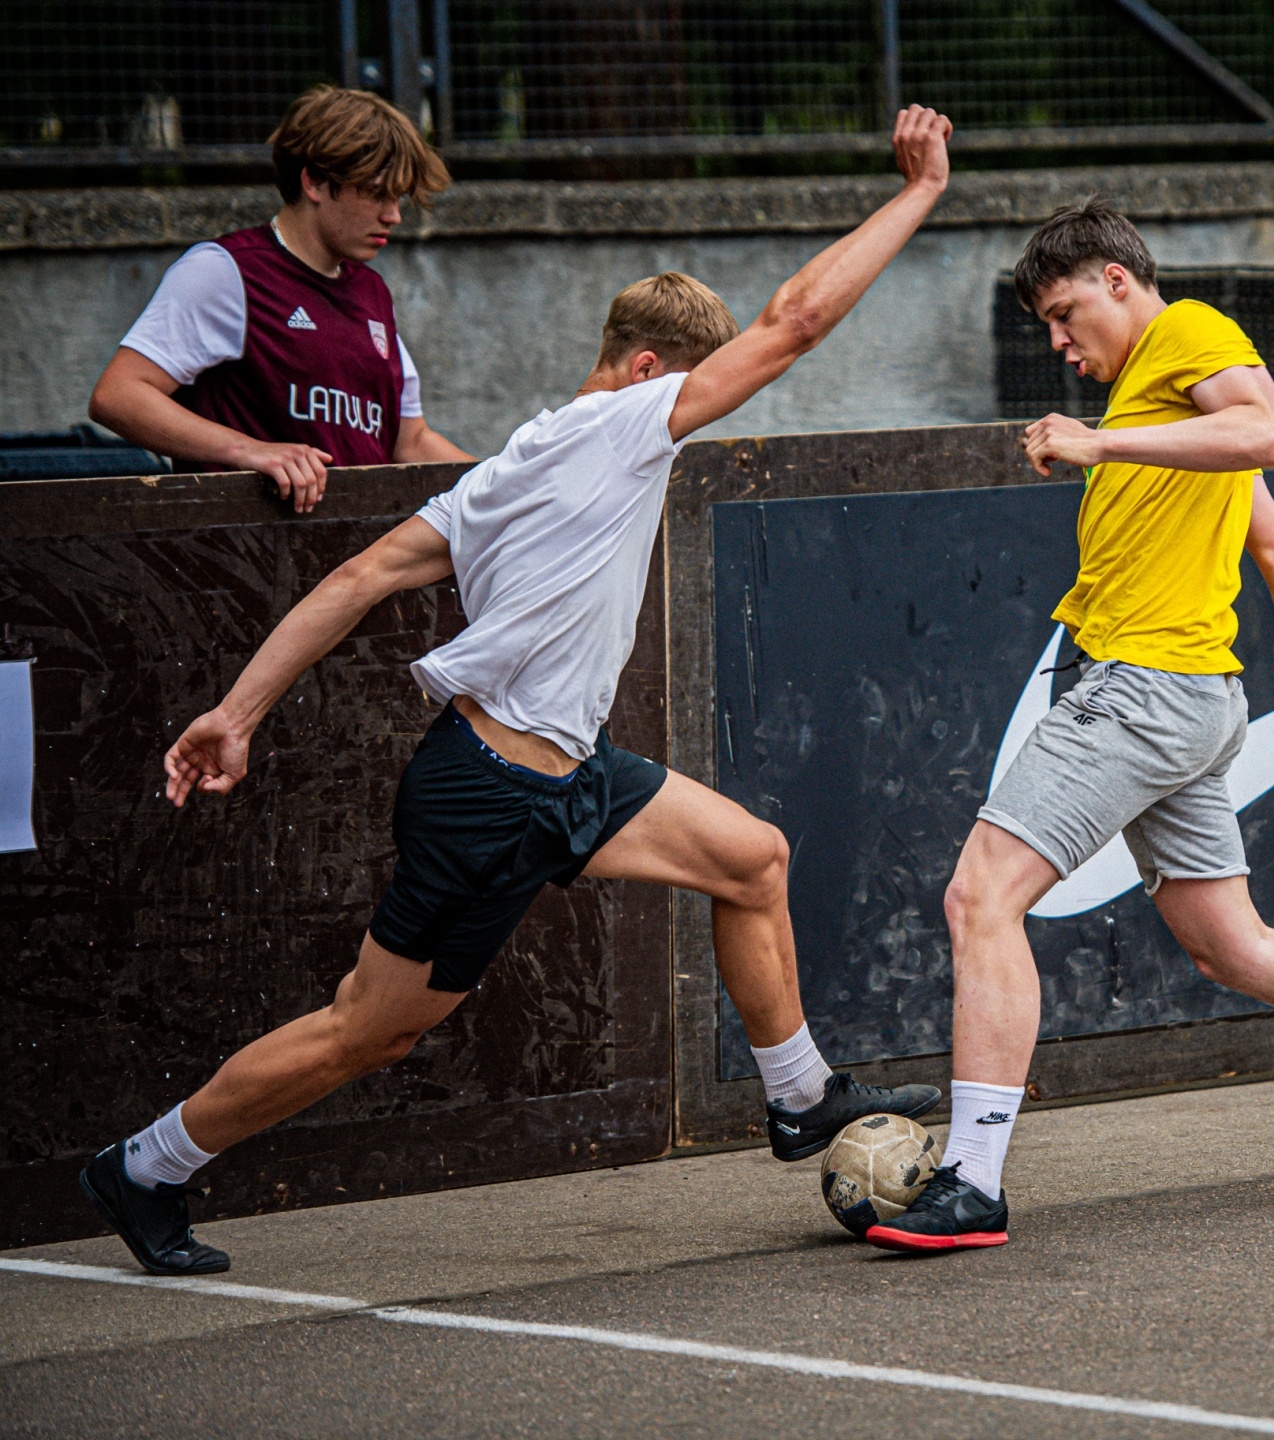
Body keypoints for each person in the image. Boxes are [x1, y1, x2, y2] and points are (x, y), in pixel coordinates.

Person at [78, 106, 959, 1278]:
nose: (694, 418)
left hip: (565, 772)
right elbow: (793, 323)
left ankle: (799, 1101)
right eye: (691, 397)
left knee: (752, 859)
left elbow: (355, 578)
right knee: (366, 1032)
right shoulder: (621, 426)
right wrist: (918, 191)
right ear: (647, 373)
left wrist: (236, 715)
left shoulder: (501, 470)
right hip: (488, 794)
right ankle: (146, 1166)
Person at [863, 201, 1274, 1254]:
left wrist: (1096, 441)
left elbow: (1267, 430)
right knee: (1233, 945)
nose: (1058, 341)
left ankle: (973, 1181)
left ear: (1116, 280)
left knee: (979, 896)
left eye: (1064, 312)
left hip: (1143, 692)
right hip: (1194, 699)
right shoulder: (1167, 410)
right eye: (1046, 324)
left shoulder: (1187, 336)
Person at [88, 86, 474, 513]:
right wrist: (249, 450)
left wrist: (504, 483)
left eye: (398, 198)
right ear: (314, 181)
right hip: (248, 546)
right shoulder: (226, 270)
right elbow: (118, 396)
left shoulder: (372, 293)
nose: (394, 215)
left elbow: (411, 441)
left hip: (358, 545)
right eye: (376, 193)